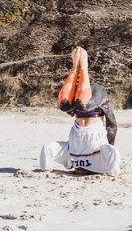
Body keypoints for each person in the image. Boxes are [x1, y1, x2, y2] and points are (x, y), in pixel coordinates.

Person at [40, 46, 120, 176]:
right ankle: (83, 66)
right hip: (96, 101)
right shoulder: (100, 155)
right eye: (81, 170)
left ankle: (75, 68)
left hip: (82, 102)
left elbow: (47, 149)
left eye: (77, 169)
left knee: (64, 105)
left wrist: (46, 170)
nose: (79, 170)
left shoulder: (71, 156)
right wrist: (112, 173)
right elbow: (113, 141)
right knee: (83, 105)